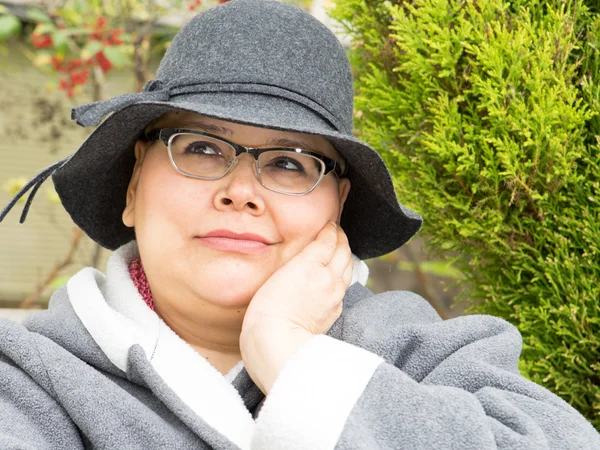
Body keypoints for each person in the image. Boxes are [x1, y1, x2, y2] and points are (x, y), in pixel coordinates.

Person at [0, 0, 598, 448]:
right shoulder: (26, 379)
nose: (240, 192)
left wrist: (287, 352)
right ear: (133, 187)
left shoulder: (440, 358)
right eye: (203, 148)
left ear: (336, 207)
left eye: (289, 163)